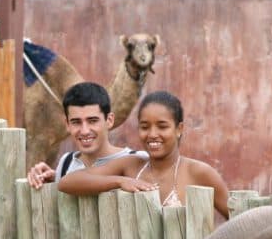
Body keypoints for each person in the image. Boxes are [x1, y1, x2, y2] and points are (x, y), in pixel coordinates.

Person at [57, 90, 230, 219]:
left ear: (179, 129)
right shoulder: (130, 166)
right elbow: (67, 182)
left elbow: (238, 221)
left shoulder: (199, 172)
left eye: (162, 126)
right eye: (145, 127)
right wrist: (120, 181)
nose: (152, 134)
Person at [26, 82, 144, 189]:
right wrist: (47, 181)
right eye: (76, 122)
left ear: (109, 120)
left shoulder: (138, 160)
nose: (84, 131)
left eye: (92, 121)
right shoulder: (66, 163)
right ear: (67, 124)